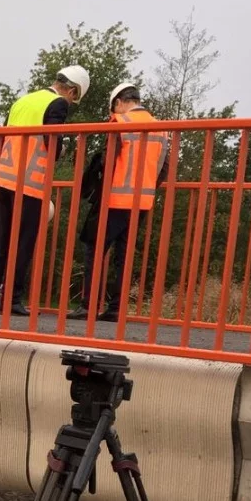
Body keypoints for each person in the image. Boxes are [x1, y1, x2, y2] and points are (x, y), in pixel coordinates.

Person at [0, 66, 90, 315]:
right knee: (23, 244)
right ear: (71, 90)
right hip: (30, 184)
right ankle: (12, 299)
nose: (70, 102)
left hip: (4, 179)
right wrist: (63, 151)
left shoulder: (23, 100)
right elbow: (53, 143)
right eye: (73, 97)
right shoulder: (57, 104)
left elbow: (4, 135)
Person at [72, 81, 171, 322]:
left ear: (118, 103)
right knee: (124, 256)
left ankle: (89, 305)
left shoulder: (120, 123)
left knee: (94, 250)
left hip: (114, 199)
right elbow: (164, 169)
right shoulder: (162, 128)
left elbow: (108, 162)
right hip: (142, 202)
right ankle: (116, 308)